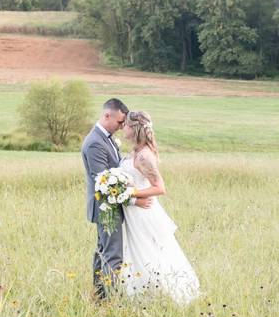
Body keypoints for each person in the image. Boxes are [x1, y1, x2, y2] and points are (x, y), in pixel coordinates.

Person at [118, 110, 200, 304]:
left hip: (142, 211)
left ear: (135, 128)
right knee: (133, 250)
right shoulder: (136, 150)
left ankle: (157, 295)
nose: (124, 128)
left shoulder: (145, 155)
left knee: (147, 251)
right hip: (133, 210)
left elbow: (160, 188)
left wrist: (130, 194)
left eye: (127, 126)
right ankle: (136, 293)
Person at [80, 98, 152, 300]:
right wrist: (133, 200)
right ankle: (107, 299)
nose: (122, 127)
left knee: (103, 251)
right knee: (113, 255)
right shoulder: (95, 143)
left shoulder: (107, 138)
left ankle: (100, 294)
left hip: (111, 205)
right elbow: (103, 182)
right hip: (106, 208)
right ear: (107, 115)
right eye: (120, 122)